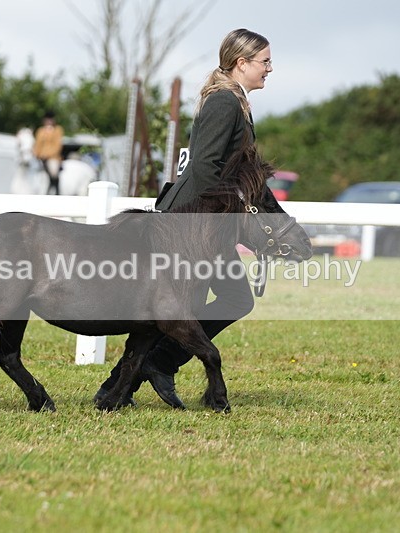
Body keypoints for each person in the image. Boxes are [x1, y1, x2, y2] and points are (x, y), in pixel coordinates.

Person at [94, 28, 278, 409]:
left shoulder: (235, 102)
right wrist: (227, 215)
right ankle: (144, 371)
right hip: (192, 225)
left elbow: (244, 172)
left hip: (201, 223)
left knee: (201, 303)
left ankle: (128, 381)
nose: (270, 69)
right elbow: (206, 166)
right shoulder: (225, 103)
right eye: (265, 62)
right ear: (241, 63)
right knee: (216, 300)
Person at [33, 110, 64, 194]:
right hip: (40, 157)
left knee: (53, 172)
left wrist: (47, 155)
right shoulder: (40, 131)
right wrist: (37, 154)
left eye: (50, 119)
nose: (49, 121)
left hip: (53, 158)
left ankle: (55, 190)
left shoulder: (58, 130)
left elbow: (58, 146)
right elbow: (37, 144)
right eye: (47, 119)